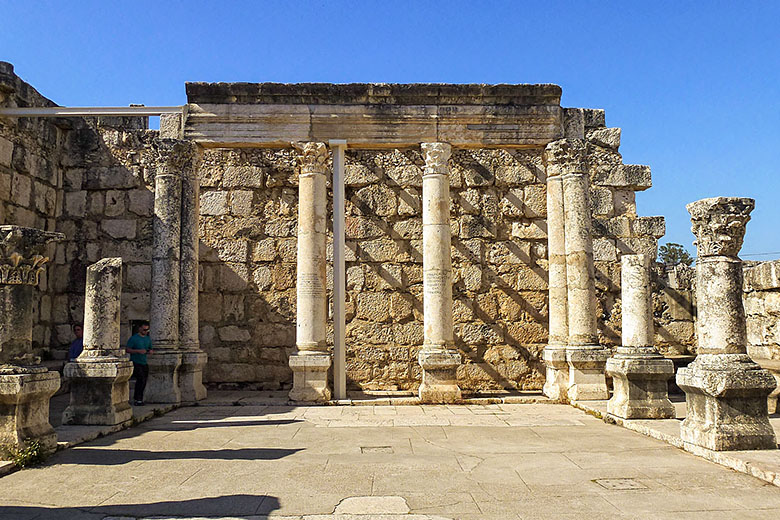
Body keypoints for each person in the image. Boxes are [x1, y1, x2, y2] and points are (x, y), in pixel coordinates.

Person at [126, 321, 153, 406]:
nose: (145, 332)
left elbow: (150, 348)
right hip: (136, 362)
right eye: (144, 329)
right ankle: (137, 399)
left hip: (144, 362)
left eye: (147, 330)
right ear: (140, 328)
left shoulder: (148, 339)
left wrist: (150, 351)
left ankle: (140, 398)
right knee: (140, 379)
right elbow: (128, 349)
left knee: (144, 381)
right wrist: (138, 351)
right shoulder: (133, 338)